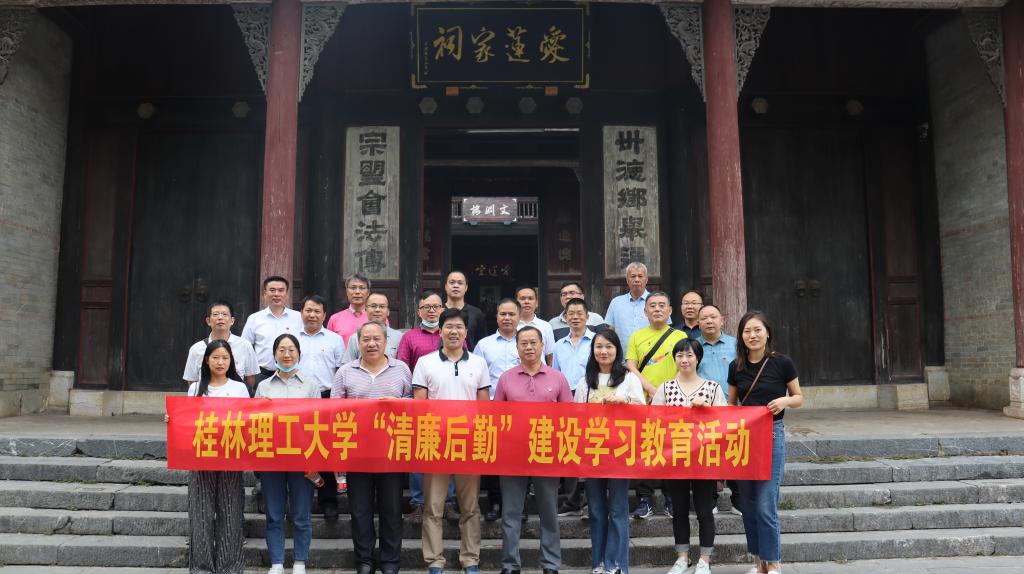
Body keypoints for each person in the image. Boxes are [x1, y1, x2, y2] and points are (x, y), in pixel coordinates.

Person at [412, 308, 491, 574]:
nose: (454, 332)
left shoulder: (478, 363)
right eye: (449, 327)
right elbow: (420, 406)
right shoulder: (425, 363)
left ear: (466, 332)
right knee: (433, 507)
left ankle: (470, 559)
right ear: (440, 331)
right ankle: (434, 561)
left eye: (459, 327)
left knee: (470, 506)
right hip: (435, 441)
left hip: (468, 442)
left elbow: (483, 407)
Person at [332, 320, 413, 574]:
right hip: (357, 453)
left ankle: (390, 561)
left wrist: (399, 404)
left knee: (392, 510)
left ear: (386, 342)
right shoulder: (345, 372)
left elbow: (414, 403)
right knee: (360, 510)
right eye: (366, 339)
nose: (371, 344)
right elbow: (333, 411)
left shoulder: (401, 369)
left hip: (391, 452)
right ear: (358, 343)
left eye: (377, 338)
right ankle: (364, 560)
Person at [728, 311, 803, 574]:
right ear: (741, 336)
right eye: (747, 331)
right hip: (745, 438)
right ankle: (758, 561)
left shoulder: (782, 363)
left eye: (757, 330)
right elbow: (731, 405)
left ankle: (773, 563)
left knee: (765, 503)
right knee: (748, 505)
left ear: (767, 333)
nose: (753, 335)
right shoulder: (736, 366)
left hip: (772, 435)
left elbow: (798, 397)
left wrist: (784, 401)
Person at [493, 326, 572, 574]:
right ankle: (510, 564)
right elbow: (496, 417)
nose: (528, 347)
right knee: (511, 513)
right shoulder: (506, 378)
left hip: (546, 453)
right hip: (512, 454)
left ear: (542, 345)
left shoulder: (557, 378)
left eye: (533, 342)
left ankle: (550, 564)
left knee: (549, 512)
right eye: (523, 343)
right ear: (517, 348)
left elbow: (569, 417)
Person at [170, 340, 248, 574]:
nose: (220, 362)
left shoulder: (239, 388)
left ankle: (230, 566)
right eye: (215, 357)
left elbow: (248, 421)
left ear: (231, 361)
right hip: (200, 457)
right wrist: (173, 419)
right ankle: (201, 567)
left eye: (225, 358)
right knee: (201, 514)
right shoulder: (195, 389)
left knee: (231, 511)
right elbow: (186, 420)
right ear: (206, 361)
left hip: (231, 456)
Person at [652, 339, 727, 574]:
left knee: (705, 510)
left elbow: (726, 421)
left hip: (704, 459)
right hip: (675, 458)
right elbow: (654, 420)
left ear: (698, 358)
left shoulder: (712, 388)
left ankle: (705, 559)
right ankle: (682, 557)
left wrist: (707, 410)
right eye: (680, 356)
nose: (684, 360)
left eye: (689, 355)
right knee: (679, 510)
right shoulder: (665, 388)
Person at [573, 330, 644, 574]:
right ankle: (599, 563)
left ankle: (618, 564)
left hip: (620, 451)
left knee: (618, 509)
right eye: (599, 346)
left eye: (609, 347)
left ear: (617, 350)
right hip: (593, 452)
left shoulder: (629, 378)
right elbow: (577, 417)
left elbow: (643, 412)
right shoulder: (585, 381)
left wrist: (625, 403)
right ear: (593, 350)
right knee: (595, 509)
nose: (603, 351)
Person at [254, 334, 322, 574]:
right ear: (274, 355)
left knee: (301, 514)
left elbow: (319, 422)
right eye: (281, 350)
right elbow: (253, 423)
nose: (286, 354)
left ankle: (300, 561)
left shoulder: (311, 386)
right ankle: (277, 562)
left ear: (299, 354)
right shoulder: (263, 386)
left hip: (302, 458)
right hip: (271, 458)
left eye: (291, 349)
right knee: (274, 514)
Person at [397, 290, 459, 519]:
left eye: (436, 307)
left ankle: (448, 502)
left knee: (446, 453)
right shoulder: (410, 337)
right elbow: (403, 368)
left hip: (448, 403)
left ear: (443, 309)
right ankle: (418, 502)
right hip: (421, 402)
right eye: (426, 307)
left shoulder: (453, 335)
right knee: (419, 454)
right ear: (419, 311)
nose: (432, 311)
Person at [625, 291, 687, 519]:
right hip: (644, 400)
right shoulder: (636, 336)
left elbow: (686, 364)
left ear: (670, 311)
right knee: (645, 449)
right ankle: (645, 499)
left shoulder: (679, 335)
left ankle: (672, 498)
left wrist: (665, 392)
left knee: (672, 448)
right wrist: (651, 390)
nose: (657, 309)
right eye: (652, 305)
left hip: (673, 400)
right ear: (645, 311)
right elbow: (631, 366)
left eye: (662, 305)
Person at [471, 298, 524, 521]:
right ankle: (494, 502)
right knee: (493, 456)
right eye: (503, 314)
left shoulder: (527, 341)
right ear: (497, 316)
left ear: (519, 317)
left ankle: (518, 506)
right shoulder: (484, 345)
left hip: (521, 409)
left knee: (519, 458)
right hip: (491, 407)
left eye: (511, 314)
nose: (507, 318)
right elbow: (476, 375)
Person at [296, 294, 346, 518]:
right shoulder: (291, 338)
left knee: (325, 449)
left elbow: (340, 371)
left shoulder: (334, 340)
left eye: (317, 311)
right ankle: (299, 502)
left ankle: (328, 502)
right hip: (298, 399)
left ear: (324, 315)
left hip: (327, 399)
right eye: (308, 310)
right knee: (299, 449)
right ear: (301, 313)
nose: (312, 315)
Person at [551, 298, 597, 519]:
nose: (576, 317)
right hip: (566, 397)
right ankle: (572, 500)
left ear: (587, 317)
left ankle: (590, 501)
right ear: (565, 317)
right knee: (569, 447)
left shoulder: (597, 341)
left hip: (592, 395)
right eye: (571, 313)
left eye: (580, 313)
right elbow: (555, 374)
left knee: (591, 447)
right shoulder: (559, 345)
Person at [695, 304, 742, 516]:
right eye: (704, 318)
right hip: (704, 410)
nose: (709, 321)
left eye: (713, 317)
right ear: (698, 323)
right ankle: (711, 499)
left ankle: (738, 499)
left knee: (733, 453)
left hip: (732, 408)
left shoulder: (736, 344)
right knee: (709, 455)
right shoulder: (694, 346)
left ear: (722, 320)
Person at [182, 300, 259, 393]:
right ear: (208, 321)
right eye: (215, 314)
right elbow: (191, 380)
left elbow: (250, 379)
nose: (220, 317)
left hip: (236, 398)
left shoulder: (245, 345)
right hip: (206, 399)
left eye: (225, 314)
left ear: (232, 321)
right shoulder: (196, 349)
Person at [241, 276, 303, 383]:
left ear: (287, 294)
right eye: (272, 290)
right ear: (265, 293)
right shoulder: (254, 319)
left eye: (281, 290)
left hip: (292, 375)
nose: (276, 294)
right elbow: (244, 347)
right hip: (262, 375)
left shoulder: (299, 317)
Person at [342, 292, 402, 362]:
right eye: (373, 306)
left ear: (388, 311)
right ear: (366, 309)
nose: (377, 310)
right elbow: (347, 365)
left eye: (382, 306)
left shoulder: (399, 337)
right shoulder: (355, 338)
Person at [604, 262, 651, 350]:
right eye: (633, 276)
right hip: (622, 356)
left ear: (646, 279)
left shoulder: (656, 301)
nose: (637, 280)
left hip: (651, 356)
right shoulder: (616, 303)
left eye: (640, 276)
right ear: (627, 280)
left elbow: (664, 328)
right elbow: (610, 332)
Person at [443, 270, 489, 349]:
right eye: (452, 282)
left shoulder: (476, 313)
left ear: (466, 287)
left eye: (460, 283)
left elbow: (483, 342)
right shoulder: (438, 311)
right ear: (446, 286)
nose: (456, 286)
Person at [326, 273, 372, 346]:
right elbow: (328, 346)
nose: (357, 292)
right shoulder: (334, 319)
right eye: (353, 288)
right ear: (347, 292)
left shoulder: (377, 317)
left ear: (368, 292)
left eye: (362, 288)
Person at [515, 285, 555, 365]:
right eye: (522, 299)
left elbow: (550, 356)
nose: (526, 302)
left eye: (530, 298)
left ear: (536, 303)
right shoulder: (511, 326)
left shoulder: (546, 326)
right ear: (516, 303)